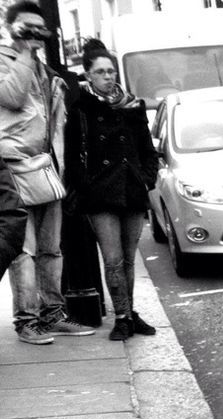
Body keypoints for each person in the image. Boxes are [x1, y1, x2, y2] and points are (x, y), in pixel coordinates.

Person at [0, 0, 90, 345]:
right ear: (11, 29)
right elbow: (11, 96)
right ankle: (26, 320)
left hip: (45, 165)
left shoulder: (42, 66)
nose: (36, 34)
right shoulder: (9, 60)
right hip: (12, 167)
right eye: (28, 27)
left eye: (40, 28)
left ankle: (53, 313)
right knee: (24, 251)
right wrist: (24, 53)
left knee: (52, 248)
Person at [64, 41, 159, 342]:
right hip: (101, 194)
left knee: (129, 259)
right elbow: (72, 157)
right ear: (88, 75)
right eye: (100, 72)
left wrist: (147, 178)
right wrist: (87, 187)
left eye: (111, 71)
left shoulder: (132, 106)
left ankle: (130, 313)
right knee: (113, 259)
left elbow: (147, 148)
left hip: (131, 188)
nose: (108, 76)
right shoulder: (81, 109)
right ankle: (121, 317)